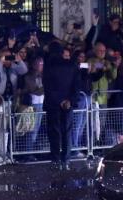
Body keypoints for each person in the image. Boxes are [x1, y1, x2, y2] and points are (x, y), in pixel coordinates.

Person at [43, 41, 80, 170]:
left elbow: (48, 87)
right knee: (67, 131)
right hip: (68, 103)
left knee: (54, 131)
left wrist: (59, 100)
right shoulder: (72, 65)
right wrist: (69, 100)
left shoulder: (48, 66)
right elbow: (76, 85)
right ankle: (66, 158)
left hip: (53, 103)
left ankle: (56, 158)